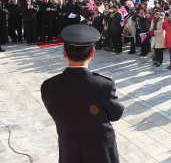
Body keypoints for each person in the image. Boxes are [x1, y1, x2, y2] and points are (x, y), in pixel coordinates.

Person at [41, 24, 124, 163]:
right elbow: (116, 114)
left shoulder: (48, 86)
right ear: (92, 53)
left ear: (64, 52)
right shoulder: (104, 85)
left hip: (69, 148)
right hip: (100, 151)